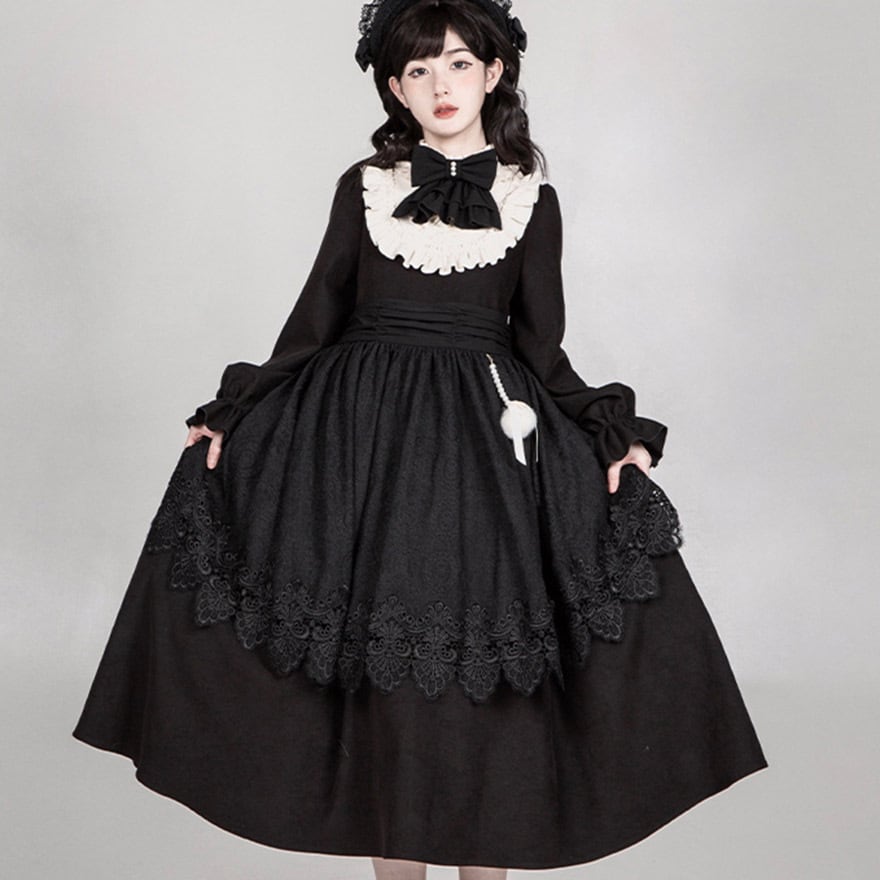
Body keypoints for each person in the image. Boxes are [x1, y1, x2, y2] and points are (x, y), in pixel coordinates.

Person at [72, 1, 768, 877]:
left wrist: (606, 432)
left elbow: (541, 347)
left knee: (481, 663)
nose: (441, 85)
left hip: (480, 448)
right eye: (418, 70)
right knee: (377, 671)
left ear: (495, 72)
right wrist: (235, 412)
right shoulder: (364, 185)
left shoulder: (531, 199)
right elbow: (313, 321)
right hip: (358, 439)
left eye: (459, 63)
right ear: (395, 88)